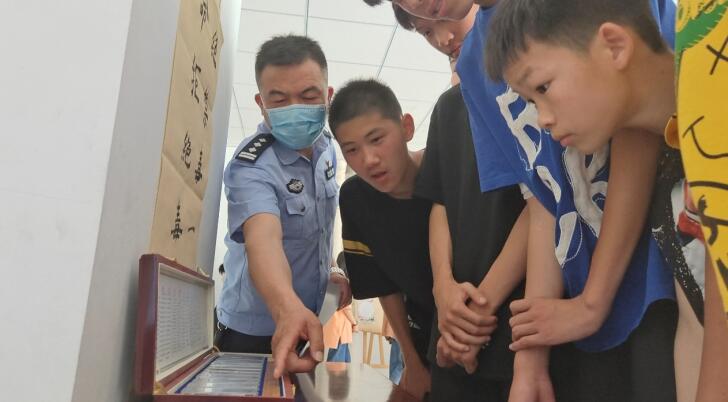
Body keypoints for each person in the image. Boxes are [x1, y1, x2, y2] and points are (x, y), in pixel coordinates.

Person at [365, 1, 678, 401]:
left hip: (659, 274)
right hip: (578, 305)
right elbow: (546, 194)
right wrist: (530, 357)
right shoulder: (476, 62)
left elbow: (638, 117)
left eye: (543, 90)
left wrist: (593, 301)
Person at [484, 1, 728, 401]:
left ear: (614, 46)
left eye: (543, 88)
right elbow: (696, 324)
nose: (543, 119)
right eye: (531, 102)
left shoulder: (714, 89)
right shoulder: (667, 163)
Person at [391, 6, 529, 401]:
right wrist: (443, 288)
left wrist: (478, 309)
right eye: (425, 32)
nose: (442, 38)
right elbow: (440, 201)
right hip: (452, 329)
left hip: (517, 318)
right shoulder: (448, 108)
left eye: (441, 17)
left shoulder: (528, 90)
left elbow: (543, 203)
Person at [215, 34, 350, 378]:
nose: (295, 108)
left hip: (309, 321)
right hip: (252, 331)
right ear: (261, 103)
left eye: (308, 96)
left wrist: (331, 269)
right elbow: (264, 240)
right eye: (279, 99)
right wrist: (288, 309)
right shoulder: (251, 165)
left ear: (327, 96)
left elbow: (318, 228)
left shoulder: (328, 149)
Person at [330, 79, 447, 400]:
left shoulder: (446, 172)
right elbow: (383, 285)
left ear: (407, 127)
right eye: (351, 150)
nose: (368, 159)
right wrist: (412, 360)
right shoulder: (355, 198)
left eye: (377, 139)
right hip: (423, 337)